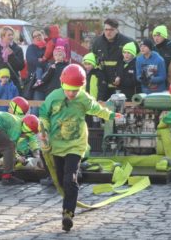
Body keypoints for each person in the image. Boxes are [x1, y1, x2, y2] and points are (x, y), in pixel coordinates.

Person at [39, 64, 121, 232]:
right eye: (69, 90)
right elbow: (44, 115)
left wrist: (111, 115)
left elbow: (96, 109)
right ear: (62, 84)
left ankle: (68, 213)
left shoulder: (83, 98)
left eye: (75, 90)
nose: (71, 94)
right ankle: (68, 203)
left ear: (81, 87)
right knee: (62, 179)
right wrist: (44, 130)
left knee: (71, 179)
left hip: (76, 145)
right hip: (57, 145)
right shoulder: (53, 97)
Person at [91, 18, 137, 100]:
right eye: (106, 29)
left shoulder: (127, 42)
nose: (108, 32)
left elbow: (136, 61)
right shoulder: (97, 43)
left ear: (116, 30)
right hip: (103, 87)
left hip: (121, 87)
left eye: (111, 30)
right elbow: (93, 61)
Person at [0, 26, 24, 92]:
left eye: (12, 35)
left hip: (12, 84)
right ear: (3, 36)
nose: (11, 37)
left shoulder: (18, 49)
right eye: (9, 35)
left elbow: (20, 66)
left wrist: (12, 55)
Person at [26, 30, 47, 115]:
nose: (37, 37)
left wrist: (40, 60)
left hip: (48, 81)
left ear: (43, 35)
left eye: (39, 35)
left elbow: (51, 62)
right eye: (35, 36)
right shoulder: (31, 48)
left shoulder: (48, 46)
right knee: (36, 109)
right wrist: (44, 61)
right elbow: (31, 61)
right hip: (36, 83)